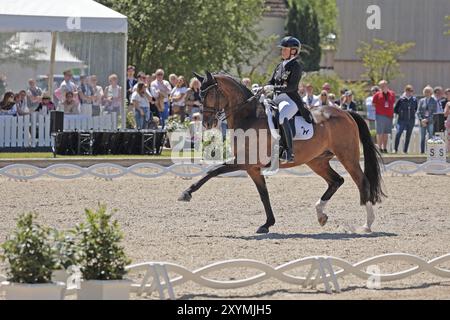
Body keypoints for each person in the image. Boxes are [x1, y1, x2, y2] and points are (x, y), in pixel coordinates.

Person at [264, 36, 313, 164]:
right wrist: (264, 87)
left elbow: (291, 87)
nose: (282, 51)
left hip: (290, 100)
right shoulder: (280, 65)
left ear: (294, 51)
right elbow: (271, 81)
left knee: (281, 117)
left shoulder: (295, 66)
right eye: (282, 49)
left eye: (285, 49)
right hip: (276, 99)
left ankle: (288, 151)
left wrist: (274, 88)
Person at [372, 80, 396, 153]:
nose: (382, 87)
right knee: (380, 132)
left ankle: (385, 148)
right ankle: (379, 148)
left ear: (387, 85)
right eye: (381, 86)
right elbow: (373, 104)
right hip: (380, 115)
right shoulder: (377, 94)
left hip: (389, 116)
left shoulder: (392, 93)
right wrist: (380, 109)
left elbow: (393, 103)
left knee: (386, 132)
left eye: (383, 85)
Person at [393, 85, 418, 154]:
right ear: (405, 91)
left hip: (411, 120)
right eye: (408, 91)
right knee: (398, 133)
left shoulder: (414, 100)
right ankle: (395, 149)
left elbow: (416, 108)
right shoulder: (401, 99)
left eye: (411, 91)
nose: (410, 92)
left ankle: (405, 150)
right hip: (401, 120)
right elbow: (395, 109)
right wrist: (401, 113)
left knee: (408, 135)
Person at [417, 85, 438, 154]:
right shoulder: (421, 101)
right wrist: (421, 120)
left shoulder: (434, 101)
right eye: (425, 91)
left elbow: (434, 112)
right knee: (422, 137)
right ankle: (422, 151)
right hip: (422, 122)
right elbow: (418, 112)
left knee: (431, 136)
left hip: (430, 121)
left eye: (428, 91)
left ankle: (430, 151)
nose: (427, 93)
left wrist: (427, 119)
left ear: (431, 92)